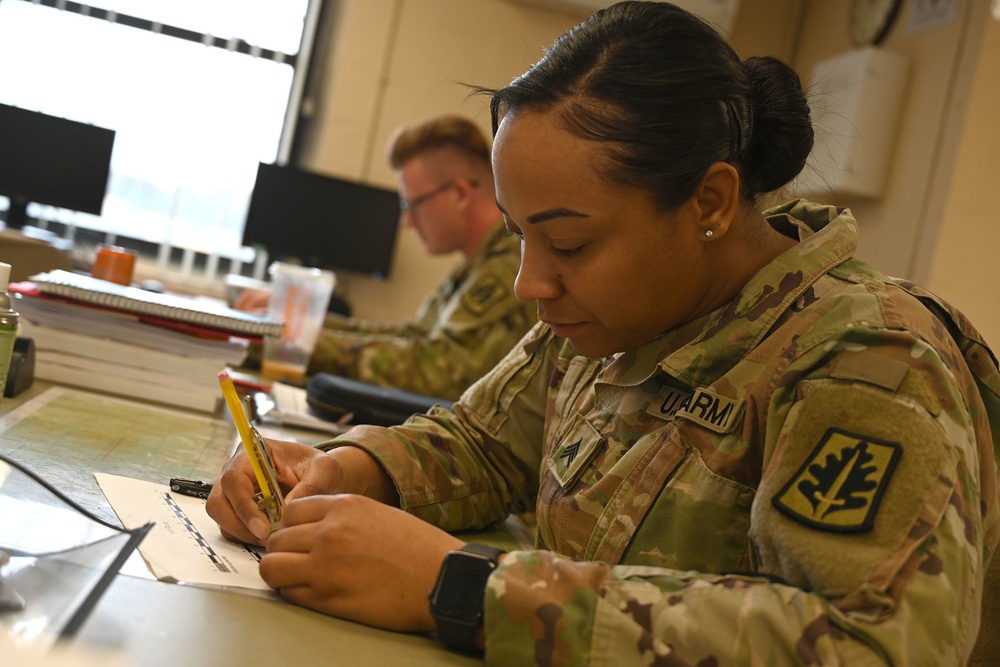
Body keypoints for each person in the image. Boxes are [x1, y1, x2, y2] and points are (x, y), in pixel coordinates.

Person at [208, 2, 1000, 664]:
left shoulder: (870, 360)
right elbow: (484, 442)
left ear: (711, 204)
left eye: (571, 243)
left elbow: (869, 645)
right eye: (519, 235)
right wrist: (348, 470)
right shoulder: (607, 318)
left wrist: (460, 586)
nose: (531, 283)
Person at [239, 114, 537, 401]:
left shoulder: (511, 262)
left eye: (413, 204)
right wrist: (297, 322)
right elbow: (411, 336)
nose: (407, 222)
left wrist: (292, 341)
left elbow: (436, 371)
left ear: (459, 193)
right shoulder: (476, 263)